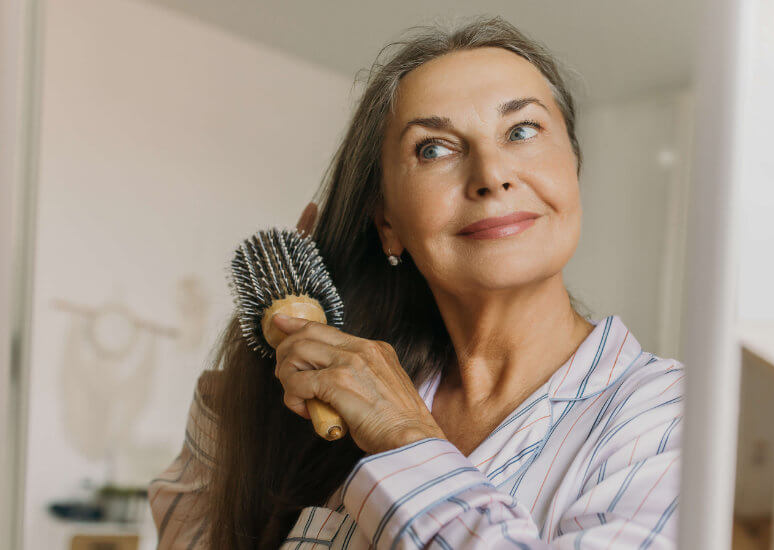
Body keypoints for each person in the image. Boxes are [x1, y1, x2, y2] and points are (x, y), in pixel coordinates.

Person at [149, 15, 684, 550]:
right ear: (388, 224)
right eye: (434, 148)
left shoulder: (667, 415)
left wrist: (404, 438)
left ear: (573, 168)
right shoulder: (335, 406)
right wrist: (259, 389)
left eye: (522, 131)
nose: (491, 175)